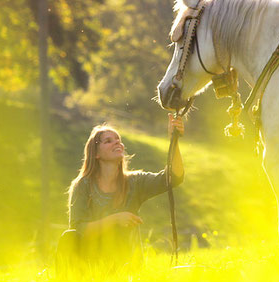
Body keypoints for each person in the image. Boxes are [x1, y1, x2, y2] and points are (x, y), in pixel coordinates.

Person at [56, 114, 185, 272]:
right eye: (108, 140)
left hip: (127, 266)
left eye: (118, 139)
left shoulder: (135, 182)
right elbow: (79, 230)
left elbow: (174, 177)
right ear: (95, 153)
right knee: (68, 238)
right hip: (91, 267)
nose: (117, 142)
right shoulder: (82, 186)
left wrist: (174, 140)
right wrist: (116, 219)